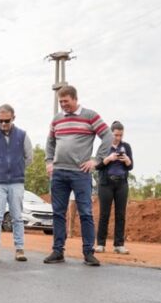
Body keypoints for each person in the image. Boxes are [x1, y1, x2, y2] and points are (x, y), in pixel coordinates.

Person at [44, 85, 112, 266]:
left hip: (80, 173)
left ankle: (88, 252)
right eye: (60, 102)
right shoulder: (57, 119)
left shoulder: (90, 116)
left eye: (66, 101)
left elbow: (108, 136)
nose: (63, 105)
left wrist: (97, 160)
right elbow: (50, 142)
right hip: (58, 173)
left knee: (85, 213)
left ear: (75, 99)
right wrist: (49, 162)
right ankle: (58, 251)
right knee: (58, 213)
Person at [0, 103, 33, 262]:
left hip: (16, 182)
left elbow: (29, 158)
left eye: (6, 120)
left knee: (17, 216)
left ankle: (19, 249)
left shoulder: (23, 135)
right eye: (0, 121)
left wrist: (17, 168)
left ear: (13, 117)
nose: (3, 124)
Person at [95, 120, 133, 254]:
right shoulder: (104, 147)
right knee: (104, 214)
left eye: (120, 135)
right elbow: (96, 166)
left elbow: (131, 166)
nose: (118, 138)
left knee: (121, 214)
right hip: (106, 183)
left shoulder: (126, 146)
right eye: (116, 135)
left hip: (122, 183)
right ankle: (100, 243)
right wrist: (108, 159)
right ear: (111, 133)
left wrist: (128, 161)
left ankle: (119, 244)